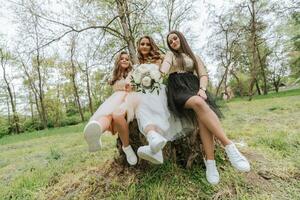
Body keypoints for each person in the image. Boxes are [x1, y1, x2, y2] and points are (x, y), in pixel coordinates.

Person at [160, 31, 250, 185]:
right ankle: (229, 146)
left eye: (175, 38)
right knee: (199, 103)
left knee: (203, 120)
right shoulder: (170, 55)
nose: (173, 42)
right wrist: (158, 74)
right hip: (178, 89)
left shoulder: (194, 56)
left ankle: (210, 164)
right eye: (170, 41)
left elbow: (203, 75)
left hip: (194, 87)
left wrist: (202, 89)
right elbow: (165, 67)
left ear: (181, 38)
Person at [83, 51, 138, 166]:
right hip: (116, 99)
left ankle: (126, 147)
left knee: (116, 115)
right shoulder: (115, 76)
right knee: (106, 115)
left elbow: (134, 85)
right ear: (118, 61)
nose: (124, 60)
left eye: (127, 59)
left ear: (130, 62)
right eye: (122, 58)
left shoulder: (133, 72)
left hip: (129, 98)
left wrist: (131, 86)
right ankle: (97, 133)